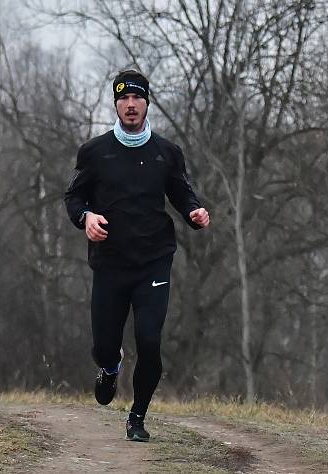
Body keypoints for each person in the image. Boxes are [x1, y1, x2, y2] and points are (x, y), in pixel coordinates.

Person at [64, 69, 210, 441]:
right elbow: (74, 197)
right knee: (103, 345)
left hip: (153, 261)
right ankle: (110, 368)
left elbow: (181, 194)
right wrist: (86, 217)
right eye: (124, 99)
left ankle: (137, 417)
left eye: (138, 98)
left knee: (149, 340)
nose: (131, 105)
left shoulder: (167, 153)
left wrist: (194, 213)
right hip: (110, 263)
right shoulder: (95, 152)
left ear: (147, 103)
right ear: (116, 104)